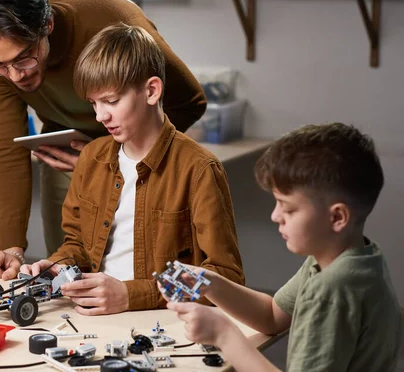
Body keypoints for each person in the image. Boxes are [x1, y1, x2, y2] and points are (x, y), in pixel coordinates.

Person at [0, 0, 208, 279]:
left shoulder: (111, 20)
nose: (14, 76)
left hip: (136, 157)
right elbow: (6, 148)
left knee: (140, 272)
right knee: (68, 273)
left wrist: (114, 161)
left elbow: (190, 102)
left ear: (47, 26)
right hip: (67, 156)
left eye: (24, 59)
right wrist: (11, 248)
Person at [19, 23, 243, 316]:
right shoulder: (92, 158)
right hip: (96, 316)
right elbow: (78, 246)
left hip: (165, 321)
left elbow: (225, 277)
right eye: (94, 103)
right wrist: (57, 266)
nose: (101, 115)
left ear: (151, 91)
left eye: (111, 101)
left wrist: (131, 295)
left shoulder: (199, 169)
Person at [165, 123, 402, 371]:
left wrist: (224, 335)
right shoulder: (355, 259)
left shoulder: (331, 291)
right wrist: (208, 283)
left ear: (337, 218)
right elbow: (272, 316)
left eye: (287, 208)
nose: (275, 216)